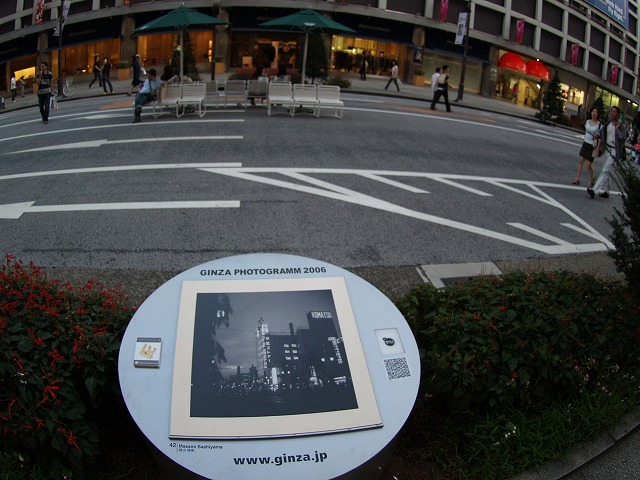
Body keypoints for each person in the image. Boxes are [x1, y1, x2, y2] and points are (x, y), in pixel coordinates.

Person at [588, 105, 627, 199]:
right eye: (611, 111)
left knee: (605, 170)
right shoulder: (608, 124)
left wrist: (617, 130)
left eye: (614, 112)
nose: (612, 113)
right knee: (607, 171)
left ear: (618, 115)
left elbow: (623, 139)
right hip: (607, 149)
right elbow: (601, 133)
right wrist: (596, 136)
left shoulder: (621, 126)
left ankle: (594, 190)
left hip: (614, 151)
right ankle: (606, 191)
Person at [572, 107, 601, 187]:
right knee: (581, 160)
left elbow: (600, 138)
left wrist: (597, 143)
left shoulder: (599, 125)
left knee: (588, 165)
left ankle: (593, 178)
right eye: (593, 111)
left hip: (592, 145)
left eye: (596, 112)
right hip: (585, 143)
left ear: (598, 114)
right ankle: (577, 179)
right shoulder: (588, 121)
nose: (594, 113)